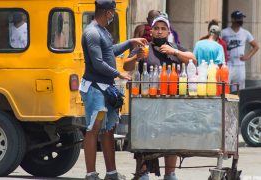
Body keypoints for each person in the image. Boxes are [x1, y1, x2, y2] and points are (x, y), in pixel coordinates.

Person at [79, 0, 147, 179]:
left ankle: (111, 173)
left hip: (106, 88)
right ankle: (91, 174)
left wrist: (130, 42)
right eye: (113, 13)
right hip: (95, 89)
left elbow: (110, 52)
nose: (113, 15)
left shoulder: (103, 31)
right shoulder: (92, 32)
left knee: (108, 129)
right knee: (94, 128)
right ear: (108, 12)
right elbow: (97, 63)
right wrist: (120, 74)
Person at [124, 16, 196, 180]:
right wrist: (137, 57)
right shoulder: (144, 48)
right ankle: (143, 172)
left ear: (168, 31)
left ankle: (170, 174)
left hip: (171, 102)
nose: (160, 31)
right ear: (152, 31)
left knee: (170, 136)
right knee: (144, 136)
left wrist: (175, 52)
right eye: (157, 28)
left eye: (163, 28)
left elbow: (193, 59)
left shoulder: (175, 48)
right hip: (146, 102)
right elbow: (125, 65)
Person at [221, 10, 259, 92]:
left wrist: (247, 56)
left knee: (239, 91)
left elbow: (256, 46)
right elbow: (217, 44)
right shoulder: (224, 32)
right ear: (232, 19)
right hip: (228, 65)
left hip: (240, 65)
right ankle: (224, 104)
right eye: (238, 18)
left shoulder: (245, 33)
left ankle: (236, 105)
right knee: (224, 89)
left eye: (241, 18)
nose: (240, 20)